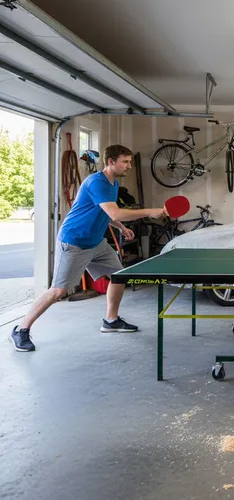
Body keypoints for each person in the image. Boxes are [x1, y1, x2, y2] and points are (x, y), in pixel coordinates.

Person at [9, 145, 167, 352]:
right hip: (74, 241)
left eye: (130, 162)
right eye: (125, 162)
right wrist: (150, 211)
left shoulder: (113, 183)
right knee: (58, 291)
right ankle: (21, 329)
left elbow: (107, 213)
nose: (129, 166)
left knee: (119, 277)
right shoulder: (96, 182)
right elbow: (115, 212)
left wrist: (121, 227)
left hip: (96, 242)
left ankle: (111, 321)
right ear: (110, 162)